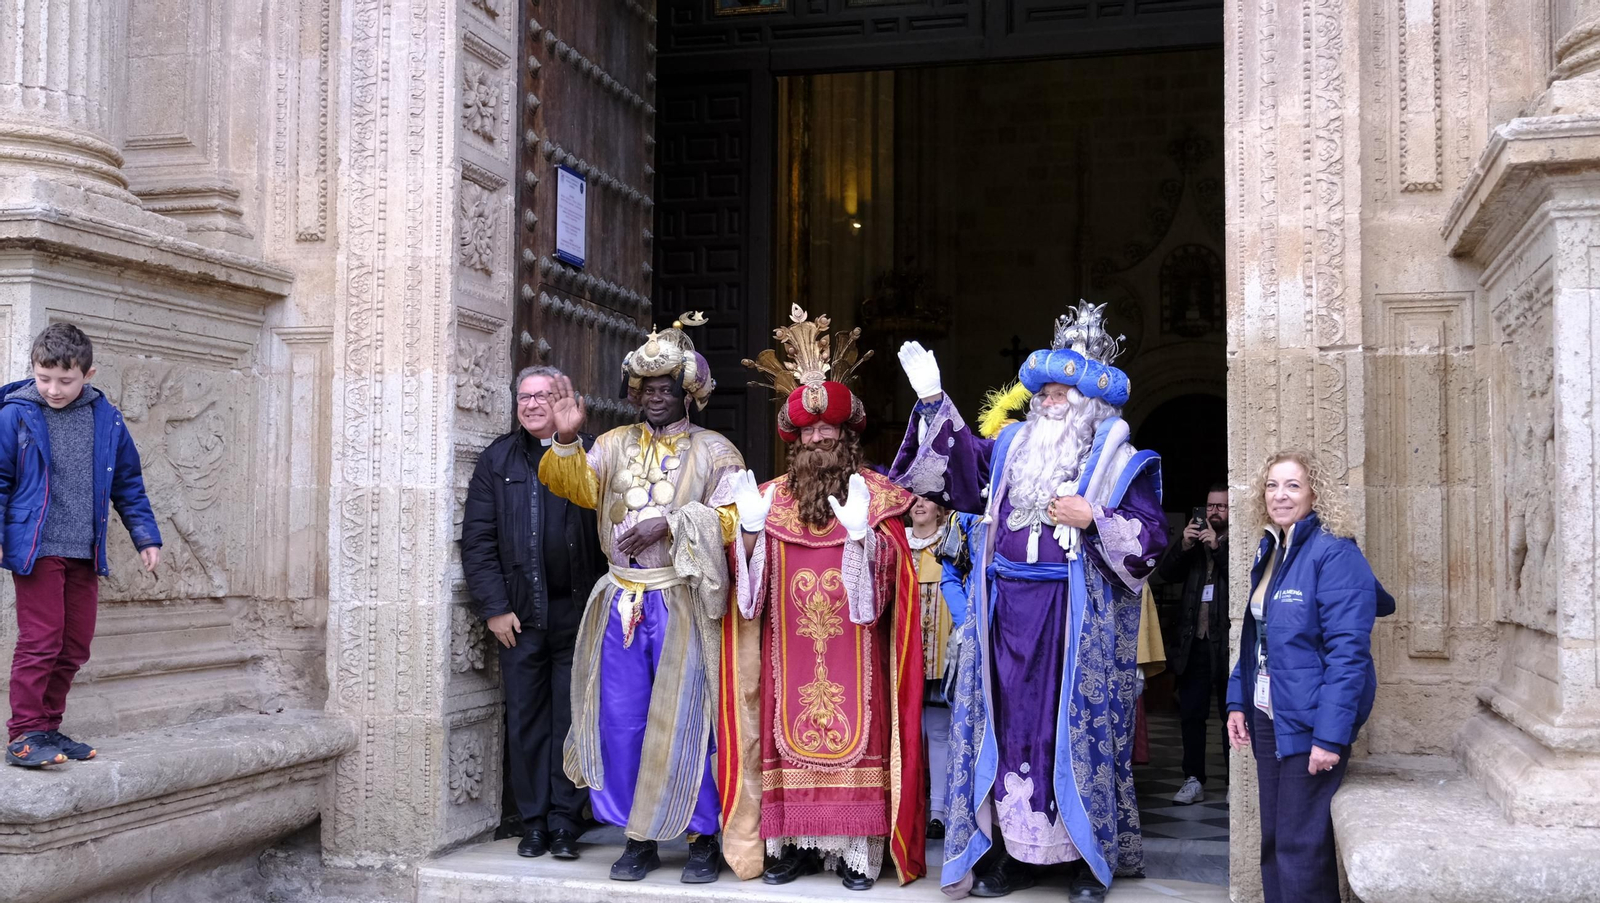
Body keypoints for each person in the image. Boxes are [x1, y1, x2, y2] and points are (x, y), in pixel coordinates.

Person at [890, 302, 1167, 902]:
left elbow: (1150, 542)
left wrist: (1095, 516)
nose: (1046, 402)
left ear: (1090, 401)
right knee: (1008, 734)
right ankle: (1009, 858)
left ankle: (1083, 863)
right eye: (1042, 393)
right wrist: (937, 403)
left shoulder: (1122, 462)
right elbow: (960, 477)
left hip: (1072, 624)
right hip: (1003, 619)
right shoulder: (1013, 447)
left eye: (1061, 393)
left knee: (1064, 737)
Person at [718, 305, 926, 890]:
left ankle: (857, 853)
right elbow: (748, 601)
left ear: (848, 435)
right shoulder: (767, 498)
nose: (817, 440)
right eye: (807, 433)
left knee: (858, 735)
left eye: (827, 431)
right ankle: (795, 850)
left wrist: (864, 540)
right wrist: (752, 534)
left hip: (857, 650)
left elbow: (883, 597)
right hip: (790, 654)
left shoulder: (878, 497)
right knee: (789, 736)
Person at [539, 316, 744, 884]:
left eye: (667, 390)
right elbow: (575, 485)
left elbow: (733, 520)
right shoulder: (609, 444)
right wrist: (564, 437)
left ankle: (703, 836)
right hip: (621, 605)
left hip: (681, 603)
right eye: (647, 390)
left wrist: (671, 525)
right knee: (623, 721)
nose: (655, 398)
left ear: (688, 395)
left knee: (688, 720)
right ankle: (639, 836)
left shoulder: (716, 450)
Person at [1226, 450, 1392, 903]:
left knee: (1301, 848)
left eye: (1293, 485)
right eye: (1272, 486)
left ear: (1315, 492)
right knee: (1276, 841)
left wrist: (1330, 737)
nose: (1280, 495)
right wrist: (1237, 701)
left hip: (1309, 722)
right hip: (1267, 714)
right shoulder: (1273, 548)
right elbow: (1258, 638)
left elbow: (1349, 656)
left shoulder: (1335, 553)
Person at [459, 365, 605, 860]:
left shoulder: (594, 455)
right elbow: (477, 541)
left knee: (572, 719)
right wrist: (494, 607)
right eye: (525, 396)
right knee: (526, 721)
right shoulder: (497, 459)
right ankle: (535, 822)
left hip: (579, 613)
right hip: (519, 617)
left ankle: (567, 822)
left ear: (566, 400)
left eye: (545, 395)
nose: (533, 404)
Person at [4, 323, 162, 768]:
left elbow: (128, 483)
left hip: (83, 550)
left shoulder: (105, 419)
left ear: (88, 374)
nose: (53, 389)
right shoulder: (15, 414)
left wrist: (145, 537)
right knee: (41, 641)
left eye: (65, 381)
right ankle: (24, 734)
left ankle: (48, 728)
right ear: (34, 370)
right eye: (44, 378)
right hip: (37, 549)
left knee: (75, 645)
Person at [1157, 483, 1230, 804]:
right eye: (1210, 506)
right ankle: (1193, 779)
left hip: (1228, 643)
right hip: (1194, 643)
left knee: (1233, 716)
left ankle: (1235, 782)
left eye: (1222, 507)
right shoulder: (1193, 544)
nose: (1214, 512)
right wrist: (1183, 545)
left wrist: (1218, 547)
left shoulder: (1239, 542)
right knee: (1192, 714)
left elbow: (1246, 578)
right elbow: (1166, 574)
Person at [907, 497, 954, 837]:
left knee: (938, 733)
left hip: (941, 654)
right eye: (915, 498)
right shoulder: (895, 540)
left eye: (929, 499)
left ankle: (938, 810)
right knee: (907, 735)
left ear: (940, 508)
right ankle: (906, 807)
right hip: (904, 654)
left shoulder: (953, 539)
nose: (920, 504)